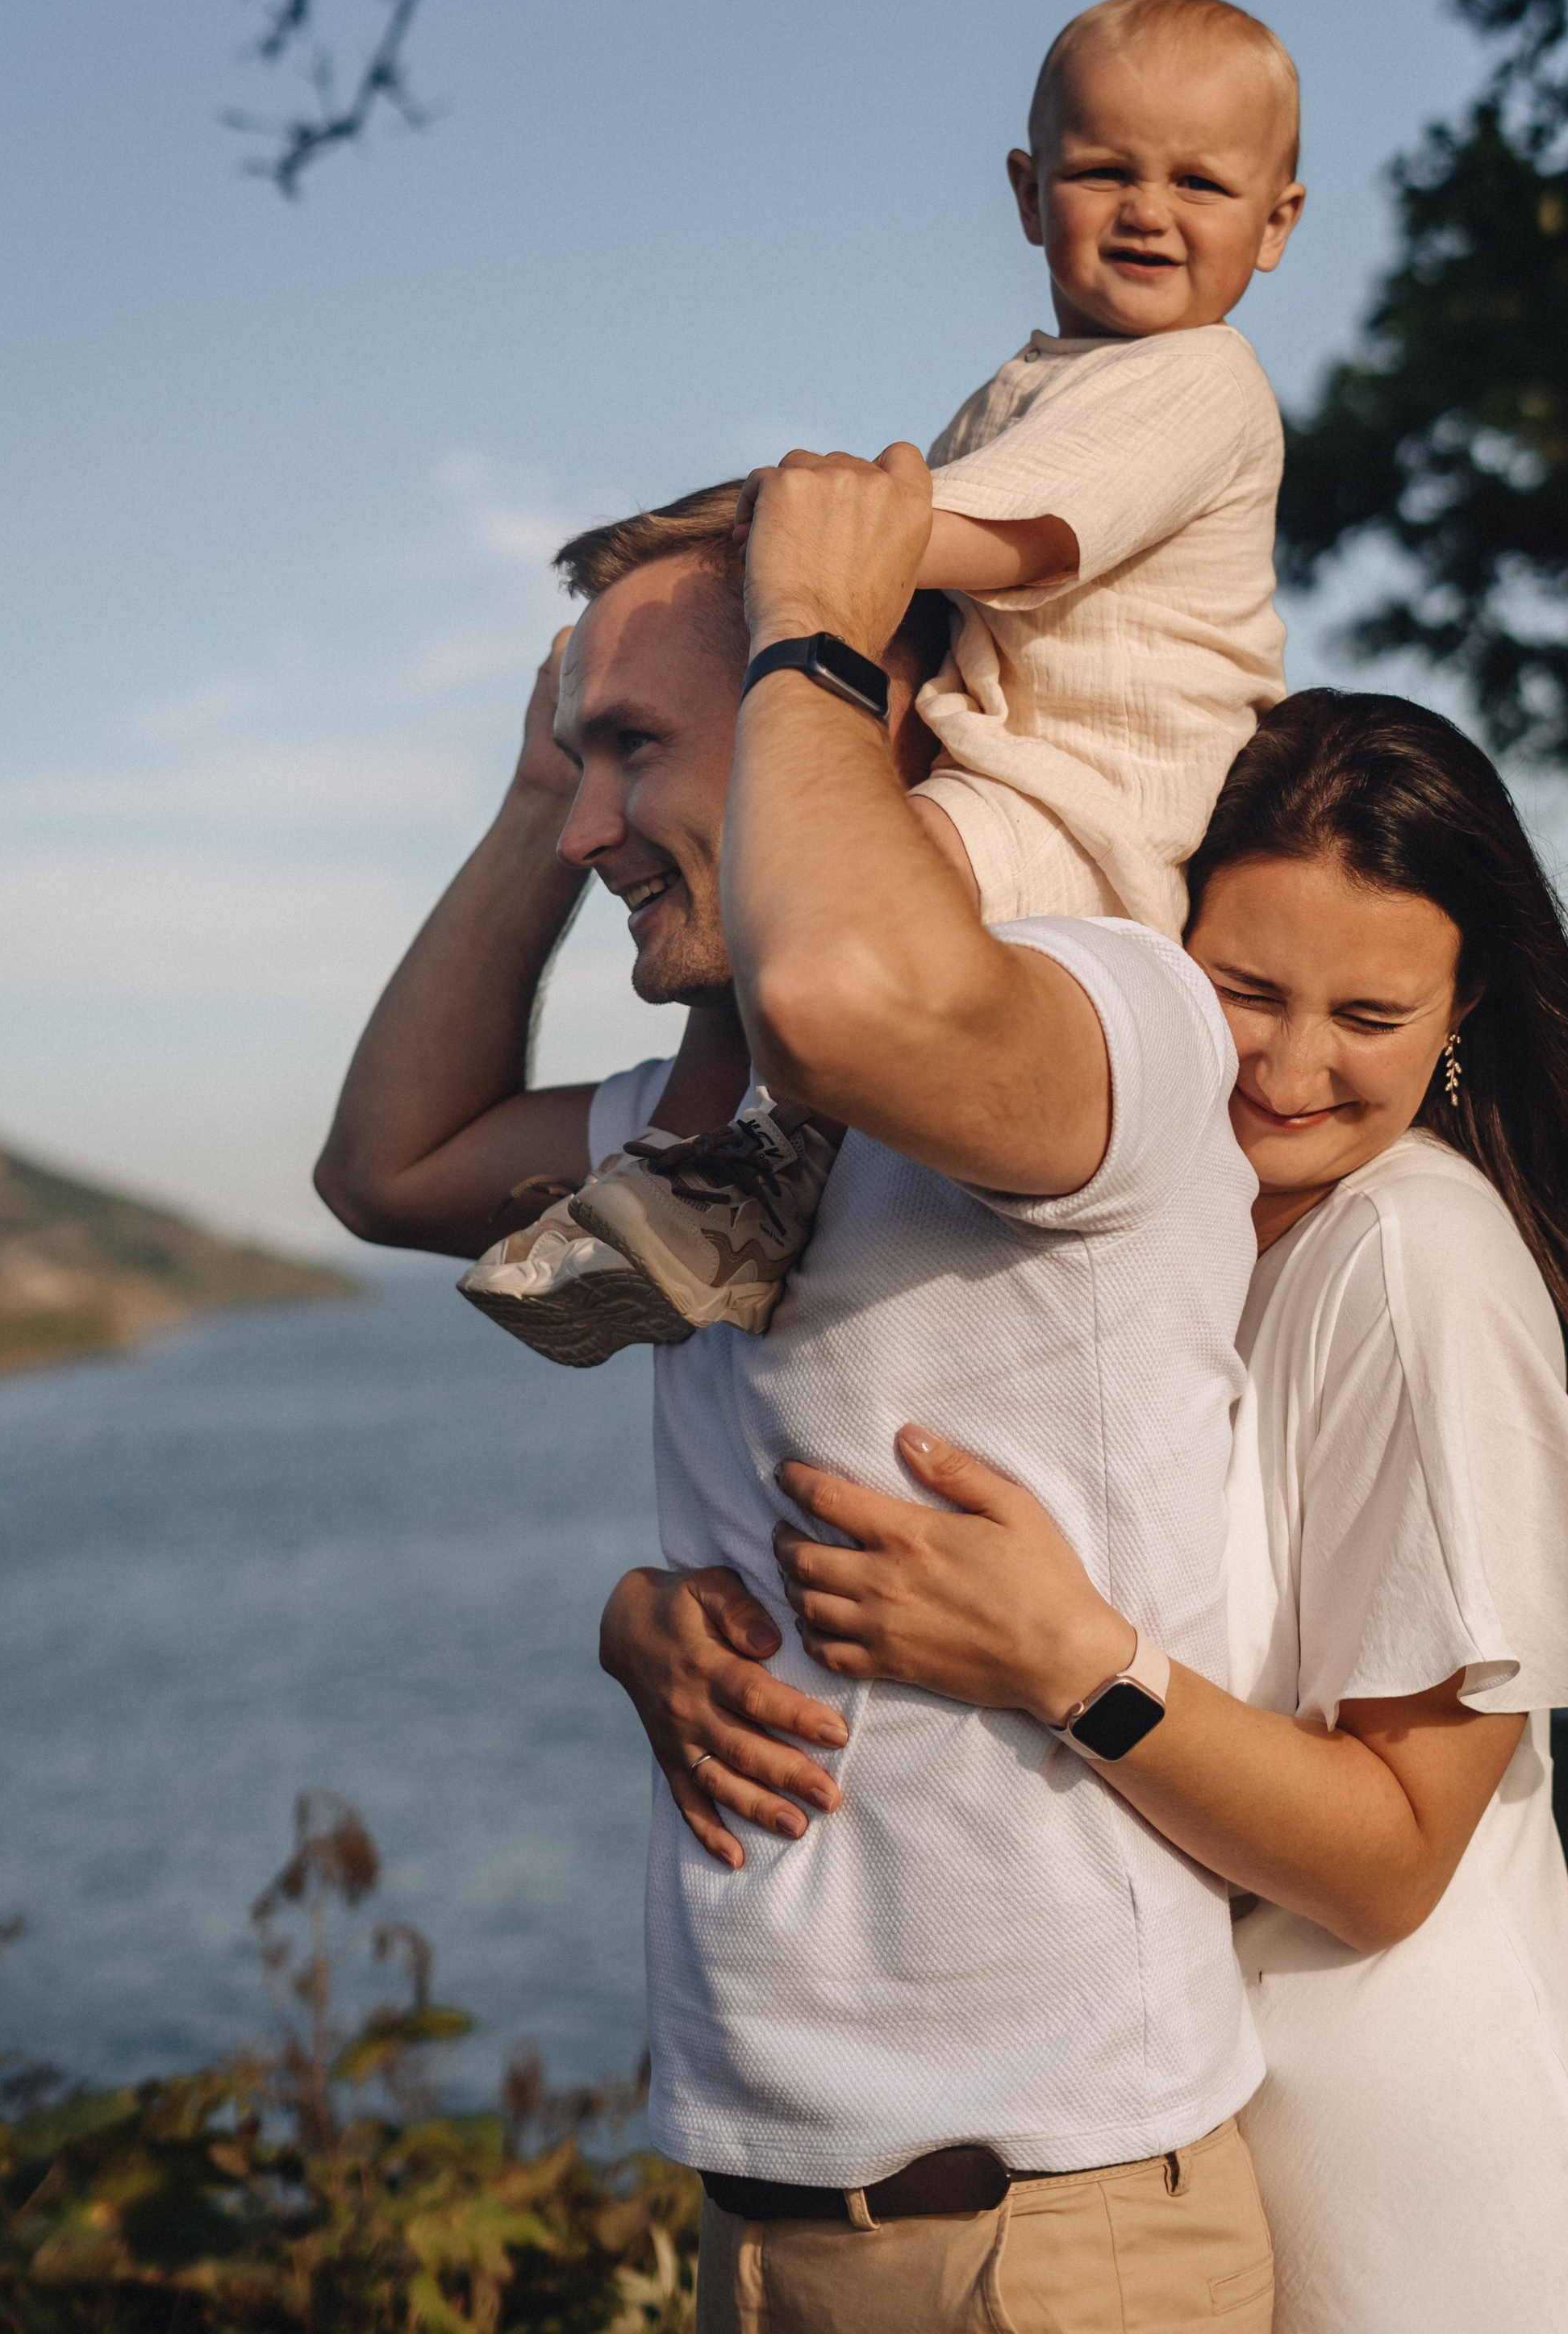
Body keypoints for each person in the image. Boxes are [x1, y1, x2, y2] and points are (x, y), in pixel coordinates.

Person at [608, 690, 1568, 2333]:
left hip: (1432, 2217)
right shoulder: (1161, 1247)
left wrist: (1078, 1667)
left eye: (1368, 1012)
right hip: (1201, 2163)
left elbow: (1394, 1859)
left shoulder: (1406, 1257)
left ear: (1461, 1009)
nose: (1285, 1066)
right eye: (1243, 988)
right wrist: (649, 1615)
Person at [315, 448, 1278, 2334]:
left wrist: (820, 642)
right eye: (573, 757)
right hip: (764, 2215)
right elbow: (388, 1163)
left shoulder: (1099, 1016)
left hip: (1052, 2231)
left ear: (847, 698)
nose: (595, 823)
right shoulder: (707, 1118)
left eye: (635, 750)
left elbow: (852, 992)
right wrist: (536, 796)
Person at [457, 0, 1303, 1369]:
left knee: (806, 889)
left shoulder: (1200, 380)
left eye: (1200, 183)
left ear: (1275, 227)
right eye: (1104, 172)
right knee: (767, 901)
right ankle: (703, 1174)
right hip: (1004, 774)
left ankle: (710, 1185)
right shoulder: (1021, 388)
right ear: (1031, 194)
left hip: (1096, 806)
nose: (1149, 210)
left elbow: (1022, 537)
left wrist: (812, 543)